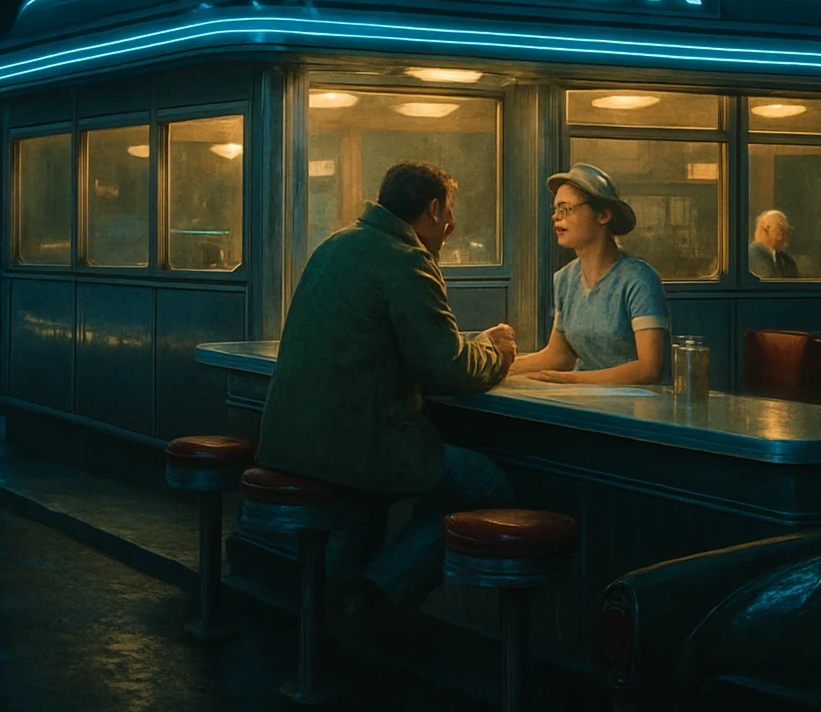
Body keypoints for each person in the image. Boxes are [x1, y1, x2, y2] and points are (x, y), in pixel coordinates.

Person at [256, 160, 515, 622]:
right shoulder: (406, 258)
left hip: (288, 441)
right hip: (352, 448)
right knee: (485, 482)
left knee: (367, 503)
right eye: (449, 216)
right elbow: (449, 367)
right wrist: (495, 352)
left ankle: (337, 614)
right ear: (434, 210)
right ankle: (382, 592)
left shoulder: (336, 244)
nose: (451, 227)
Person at [510, 163, 669, 385]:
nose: (556, 217)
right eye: (555, 209)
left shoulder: (639, 280)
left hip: (639, 406)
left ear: (603, 215)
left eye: (566, 209)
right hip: (586, 403)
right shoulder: (565, 279)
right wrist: (493, 367)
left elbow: (649, 369)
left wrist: (571, 380)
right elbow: (560, 355)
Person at [748, 210, 800, 280]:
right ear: (765, 230)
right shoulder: (754, 252)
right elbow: (769, 282)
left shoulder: (785, 258)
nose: (782, 238)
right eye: (779, 232)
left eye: (785, 233)